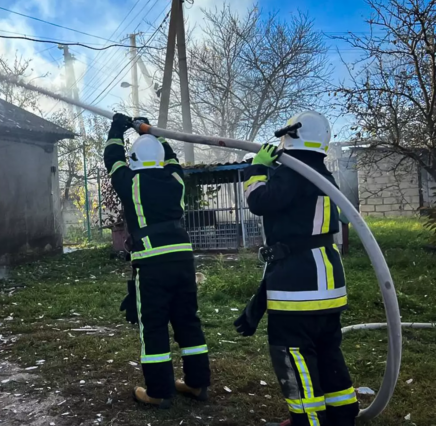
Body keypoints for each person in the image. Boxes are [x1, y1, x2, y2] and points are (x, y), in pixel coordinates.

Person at [234, 111, 359, 426]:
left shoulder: (293, 173)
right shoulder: (321, 173)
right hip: (327, 279)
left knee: (294, 355)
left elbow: (259, 201)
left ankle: (308, 420)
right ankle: (342, 415)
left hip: (299, 283)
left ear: (290, 135)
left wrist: (257, 169)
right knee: (328, 351)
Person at [104, 113, 211, 408]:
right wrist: (148, 130)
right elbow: (171, 155)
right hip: (183, 260)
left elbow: (112, 158)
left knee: (153, 326)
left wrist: (117, 128)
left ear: (134, 160)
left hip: (152, 263)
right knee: (188, 320)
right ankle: (197, 383)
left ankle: (159, 392)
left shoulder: (130, 182)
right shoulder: (175, 178)